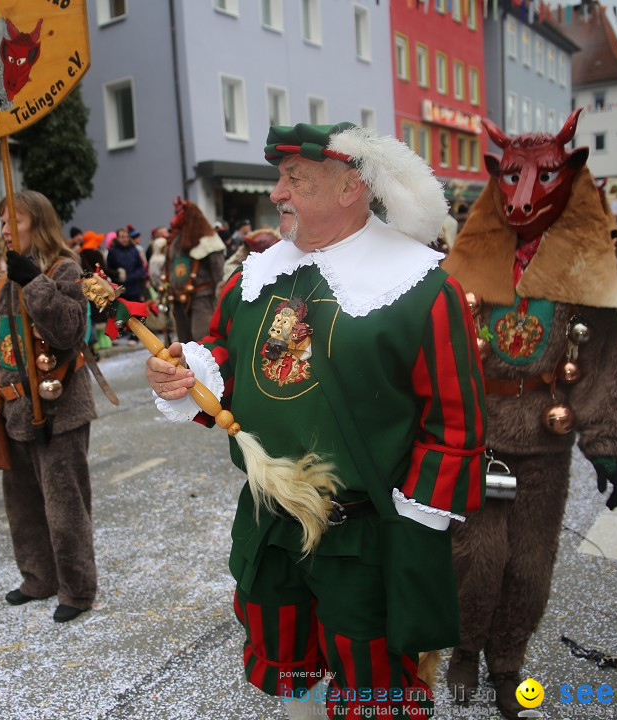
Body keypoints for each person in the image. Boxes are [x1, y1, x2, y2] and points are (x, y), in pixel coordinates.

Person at [145, 122, 486, 719]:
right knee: (289, 663)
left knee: (372, 683)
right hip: (269, 523)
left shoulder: (423, 288)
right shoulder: (255, 276)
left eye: (295, 179)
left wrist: (412, 535)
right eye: (280, 177)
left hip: (365, 538)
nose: (277, 192)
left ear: (351, 187)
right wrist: (185, 378)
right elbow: (225, 361)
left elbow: (455, 427)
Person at [442, 110, 617, 719]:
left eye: (544, 178)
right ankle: (466, 649)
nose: (522, 196)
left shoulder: (582, 269)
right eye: (508, 178)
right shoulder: (470, 265)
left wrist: (607, 436)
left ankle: (508, 663)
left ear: (570, 174)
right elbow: (437, 344)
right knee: (476, 558)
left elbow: (603, 354)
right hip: (479, 433)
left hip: (545, 436)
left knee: (530, 565)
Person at [0, 189, 98, 623]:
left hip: (60, 413)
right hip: (13, 411)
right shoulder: (1, 282)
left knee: (64, 508)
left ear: (37, 224)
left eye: (13, 221)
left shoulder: (66, 269)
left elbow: (69, 332)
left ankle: (76, 589)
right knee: (21, 506)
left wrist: (34, 283)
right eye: (1, 221)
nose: (4, 230)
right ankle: (38, 577)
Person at [163, 198, 227, 343]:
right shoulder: (175, 239)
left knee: (202, 337)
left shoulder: (208, 240)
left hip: (202, 297)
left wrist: (220, 294)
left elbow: (218, 270)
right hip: (178, 298)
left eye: (179, 213)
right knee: (183, 341)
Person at [107, 227, 148, 304]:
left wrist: (133, 276)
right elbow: (108, 269)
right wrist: (118, 274)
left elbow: (140, 267)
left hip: (134, 289)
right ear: (117, 238)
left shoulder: (134, 250)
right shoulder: (112, 252)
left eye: (126, 237)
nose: (125, 239)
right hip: (120, 289)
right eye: (122, 237)